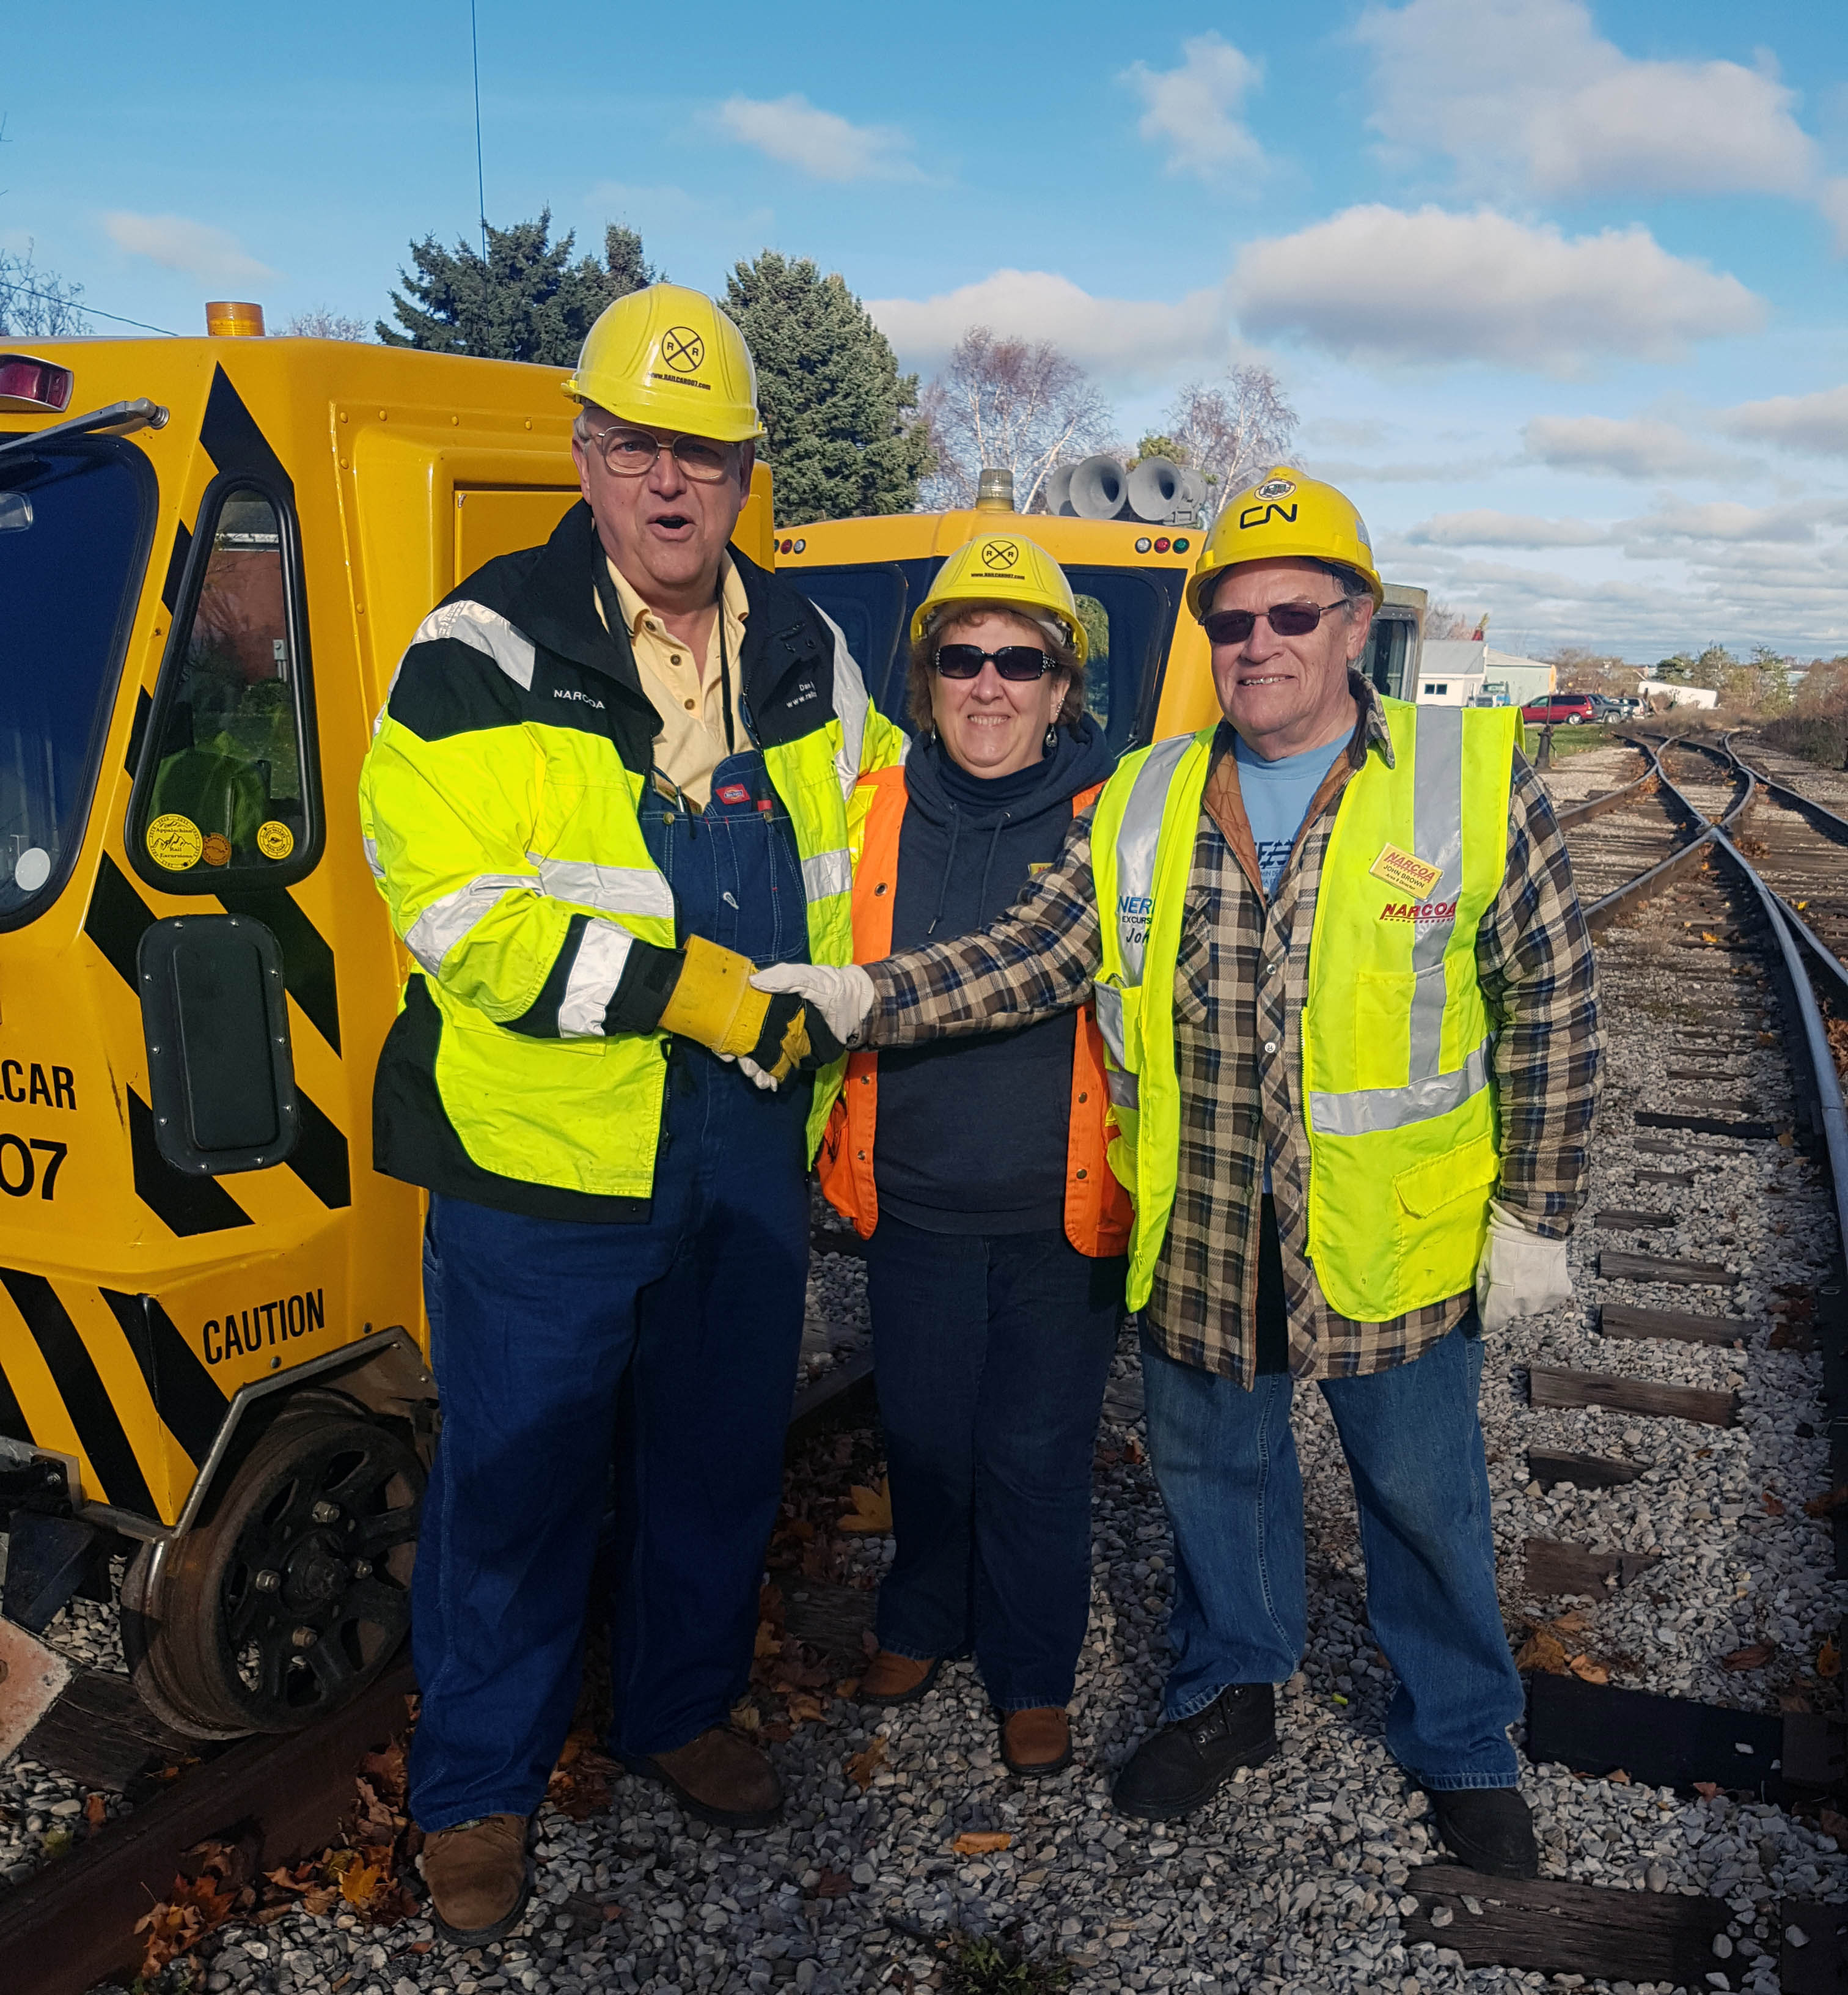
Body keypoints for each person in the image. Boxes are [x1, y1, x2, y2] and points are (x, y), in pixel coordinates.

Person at [757, 469, 1601, 1879]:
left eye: (1290, 615)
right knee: (1220, 1480)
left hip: (1388, 1235)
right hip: (1206, 1219)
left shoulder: (1465, 783)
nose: (1256, 643)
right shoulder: (1146, 797)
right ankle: (1232, 1692)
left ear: (1351, 626)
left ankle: (1463, 1740)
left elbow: (1556, 1005)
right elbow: (1037, 950)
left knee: (1422, 1496)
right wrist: (864, 996)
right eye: (1231, 619)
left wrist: (1535, 1217)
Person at [358, 283, 903, 1944]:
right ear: (585, 457)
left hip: (745, 1147)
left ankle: (678, 1712)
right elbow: (455, 912)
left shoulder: (809, 656)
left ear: (749, 475)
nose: (669, 484)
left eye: (704, 456)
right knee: (519, 1488)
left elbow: (868, 852)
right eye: (632, 447)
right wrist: (688, 988)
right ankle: (474, 1791)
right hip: (545, 1169)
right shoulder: (479, 653)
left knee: (718, 1462)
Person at [816, 534, 1131, 1777]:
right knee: (927, 1435)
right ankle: (922, 1612)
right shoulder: (870, 808)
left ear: (1062, 688)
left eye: (1021, 660)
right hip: (914, 1198)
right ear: (929, 677)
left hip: (1063, 1207)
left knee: (1038, 1452)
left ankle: (1033, 1665)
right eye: (963, 657)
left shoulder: (1118, 818)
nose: (988, 683)